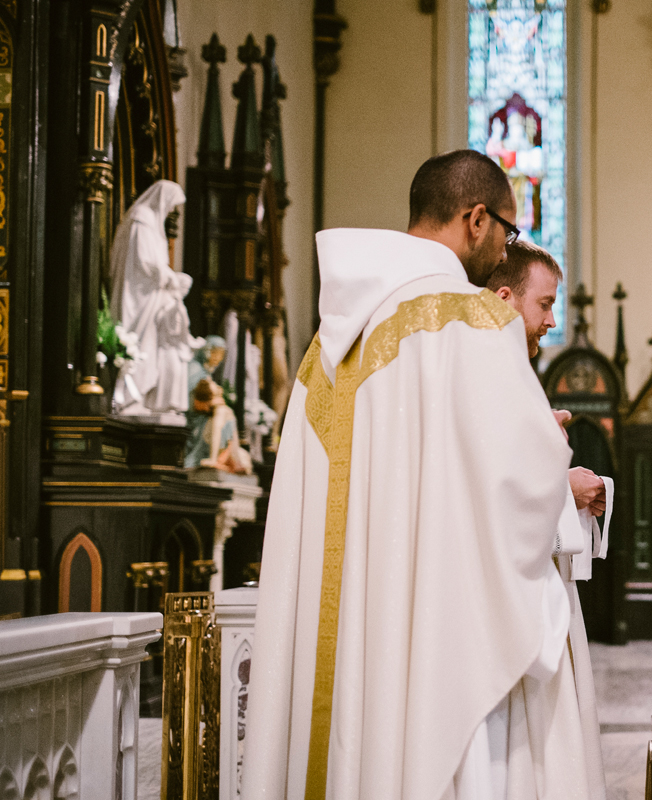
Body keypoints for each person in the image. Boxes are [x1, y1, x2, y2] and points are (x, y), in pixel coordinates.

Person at [244, 150, 590, 800]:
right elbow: (517, 491)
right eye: (509, 232)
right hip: (435, 635)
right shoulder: (475, 321)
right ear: (477, 218)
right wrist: (559, 469)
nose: (506, 251)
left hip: (350, 643)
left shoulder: (328, 344)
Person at [488, 238, 608, 799]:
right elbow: (488, 492)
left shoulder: (509, 369)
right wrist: (563, 483)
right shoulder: (489, 370)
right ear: (507, 297)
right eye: (544, 304)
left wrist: (559, 471)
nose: (550, 320)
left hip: (537, 589)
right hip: (509, 601)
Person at [109, 180, 191, 415]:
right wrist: (168, 276)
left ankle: (139, 396)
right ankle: (127, 398)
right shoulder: (142, 218)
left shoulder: (152, 223)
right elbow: (146, 261)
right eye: (171, 206)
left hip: (149, 295)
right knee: (139, 341)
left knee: (147, 345)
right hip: (137, 296)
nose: (171, 212)